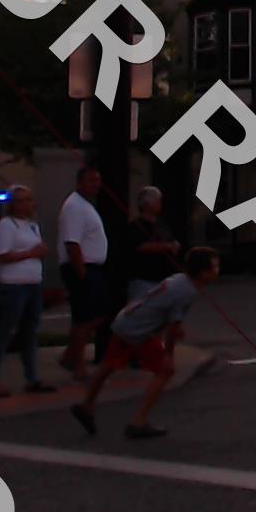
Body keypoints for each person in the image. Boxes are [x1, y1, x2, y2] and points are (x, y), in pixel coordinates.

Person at [70, 247, 220, 440]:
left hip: (126, 321)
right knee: (165, 371)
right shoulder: (188, 291)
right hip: (138, 331)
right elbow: (173, 327)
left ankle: (87, 406)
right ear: (203, 272)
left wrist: (173, 328)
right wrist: (168, 354)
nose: (217, 270)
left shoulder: (179, 280)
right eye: (215, 267)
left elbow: (166, 311)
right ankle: (138, 421)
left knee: (108, 365)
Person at [0, 185, 54, 397]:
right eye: (21, 201)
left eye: (28, 200)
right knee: (6, 330)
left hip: (33, 282)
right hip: (13, 284)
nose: (26, 205)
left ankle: (31, 377)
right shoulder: (6, 225)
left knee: (30, 332)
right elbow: (2, 255)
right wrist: (30, 253)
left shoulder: (32, 225)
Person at [58, 164, 110, 376]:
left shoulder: (86, 205)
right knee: (83, 318)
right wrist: (81, 273)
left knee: (99, 314)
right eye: (90, 181)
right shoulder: (74, 206)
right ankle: (78, 365)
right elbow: (72, 243)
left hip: (93, 267)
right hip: (82, 267)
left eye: (97, 181)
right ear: (79, 183)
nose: (95, 185)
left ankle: (69, 355)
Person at [123, 187, 180, 303]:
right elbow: (141, 246)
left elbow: (170, 239)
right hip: (144, 280)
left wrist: (174, 245)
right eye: (157, 200)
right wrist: (167, 246)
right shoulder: (135, 226)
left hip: (164, 279)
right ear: (146, 204)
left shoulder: (161, 224)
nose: (160, 203)